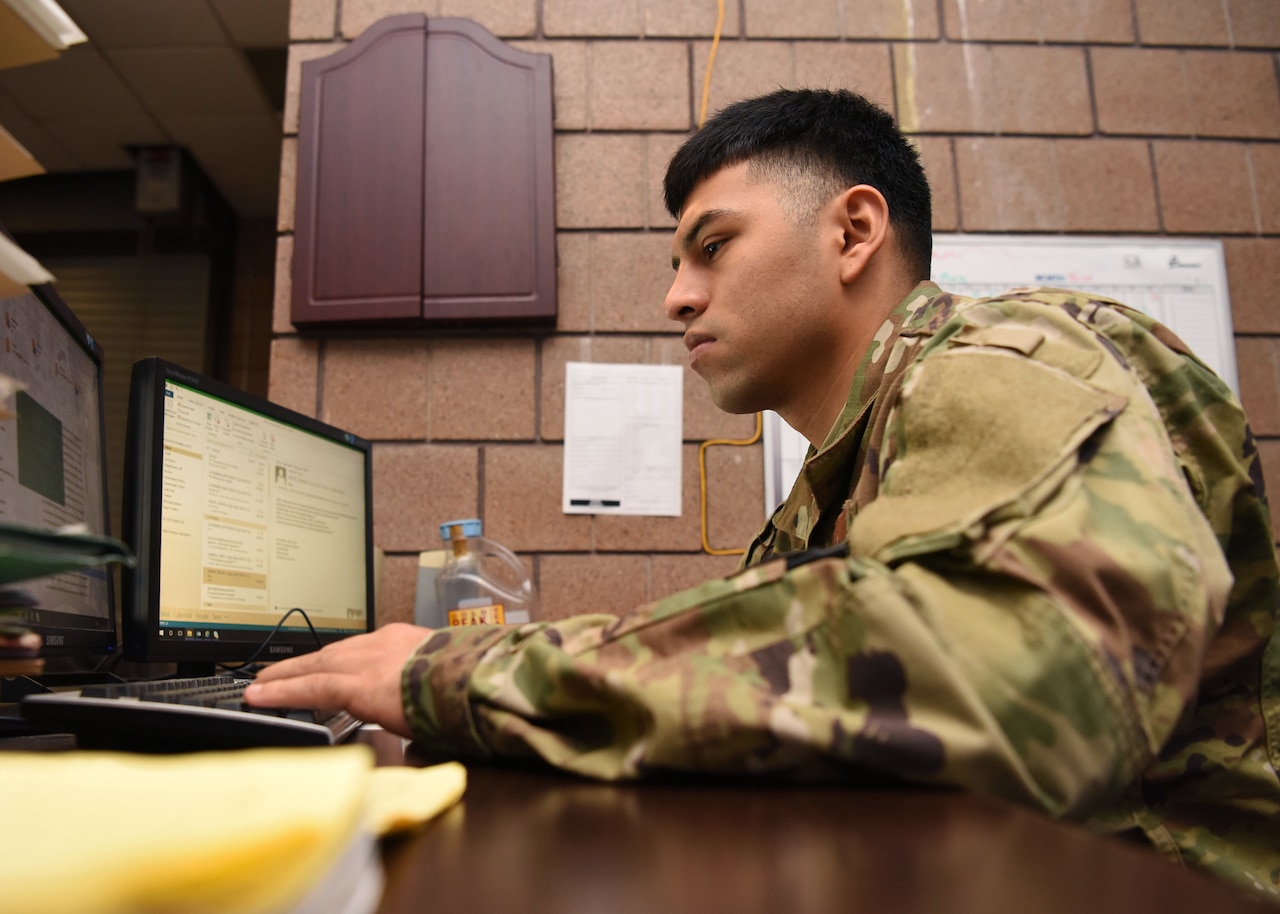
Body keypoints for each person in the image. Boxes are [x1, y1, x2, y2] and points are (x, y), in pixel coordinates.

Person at [246, 89, 1280, 900]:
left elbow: (1014, 678)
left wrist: (463, 675)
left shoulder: (1008, 351)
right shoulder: (830, 480)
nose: (675, 295)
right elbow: (775, 678)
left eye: (711, 245)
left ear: (851, 232)